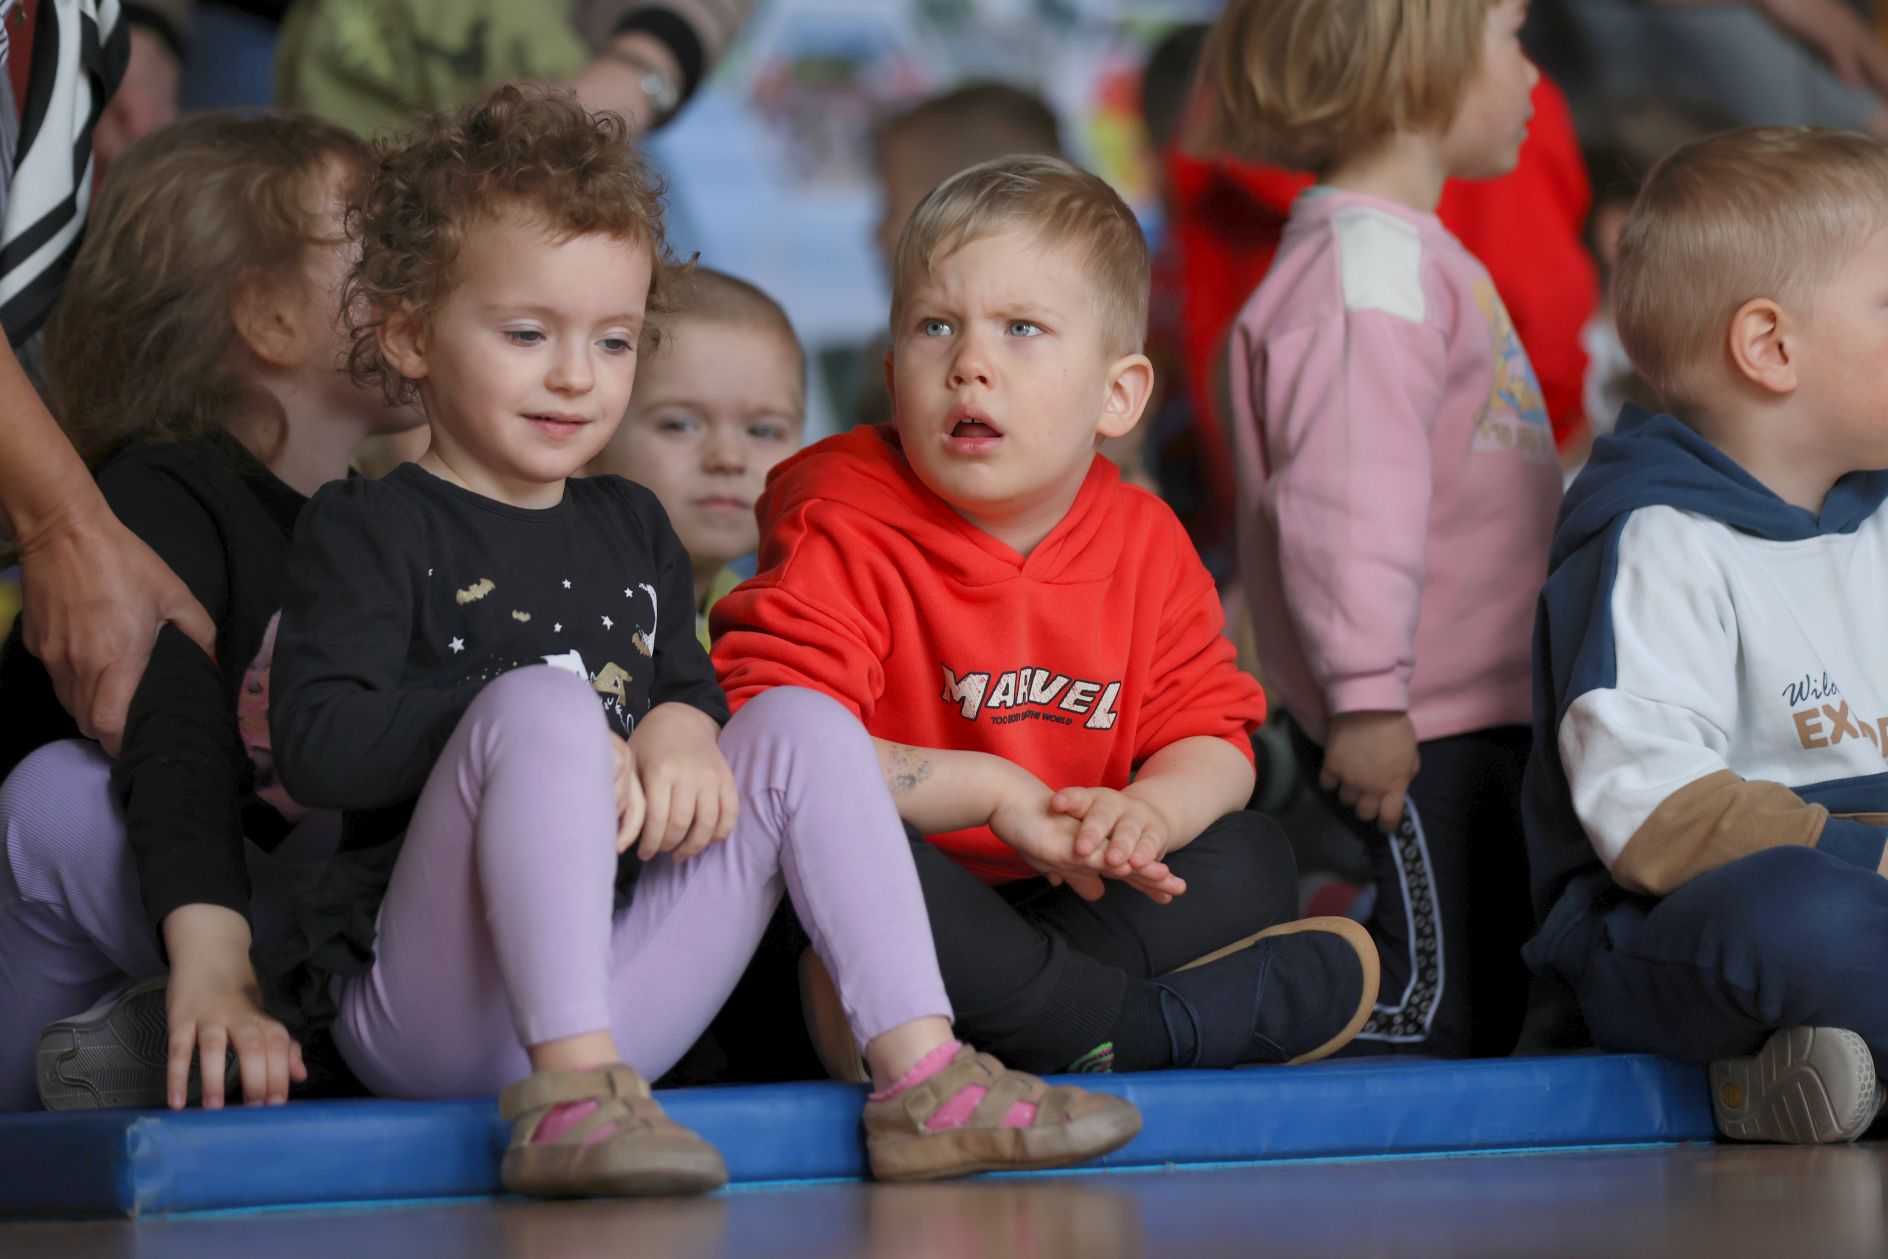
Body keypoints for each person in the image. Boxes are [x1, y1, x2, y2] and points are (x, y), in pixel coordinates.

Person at [266, 87, 1139, 1198]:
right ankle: (569, 1098)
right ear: (409, 335)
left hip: (623, 989)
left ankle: (925, 1080)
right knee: (544, 701)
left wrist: (680, 725)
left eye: (614, 340)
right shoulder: (372, 524)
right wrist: (538, 722)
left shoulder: (632, 522)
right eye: (527, 334)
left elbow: (689, 689)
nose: (576, 375)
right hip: (428, 1008)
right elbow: (318, 746)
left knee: (801, 721)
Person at [712, 153, 1378, 1079]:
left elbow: (1215, 740)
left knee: (1251, 853)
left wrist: (1145, 813)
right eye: (935, 326)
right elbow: (778, 752)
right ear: (892, 371)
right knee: (839, 871)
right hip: (903, 896)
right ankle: (1125, 1030)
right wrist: (991, 791)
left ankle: (1011, 1025)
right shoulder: (841, 510)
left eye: (1021, 329)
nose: (970, 365)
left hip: (1065, 896)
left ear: (1118, 395)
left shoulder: (1146, 538)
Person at [0, 112, 419, 1113]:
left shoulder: (389, 523)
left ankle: (254, 1034)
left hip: (252, 913)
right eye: (381, 252)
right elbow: (176, 742)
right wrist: (218, 957)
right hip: (136, 920)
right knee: (60, 795)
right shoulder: (158, 492)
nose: (425, 280)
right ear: (268, 318)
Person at [1208, 0, 1560, 1058]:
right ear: (1417, 73)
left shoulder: (1408, 255)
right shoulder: (1368, 277)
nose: (1533, 76)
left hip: (1468, 702)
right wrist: (1368, 697)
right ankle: (1262, 1030)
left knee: (1487, 970)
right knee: (1436, 1008)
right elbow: (1349, 505)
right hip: (1418, 717)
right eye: (1509, 39)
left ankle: (1327, 915)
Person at [1525, 126, 1888, 1145]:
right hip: (1677, 922)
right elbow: (1653, 814)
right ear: (1770, 346)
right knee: (1800, 919)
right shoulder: (1660, 538)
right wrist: (1866, 859)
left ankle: (1793, 1079)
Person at [584, 267, 804, 649]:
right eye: (681, 425)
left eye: (763, 431)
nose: (728, 458)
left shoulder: (770, 624)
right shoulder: (559, 604)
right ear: (591, 443)